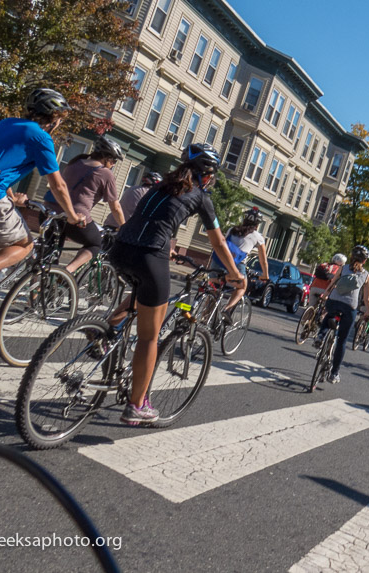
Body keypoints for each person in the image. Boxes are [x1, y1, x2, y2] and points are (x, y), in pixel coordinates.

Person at [107, 143, 244, 424]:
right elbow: (217, 241)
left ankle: (106, 330)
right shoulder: (201, 197)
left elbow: (152, 219)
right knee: (149, 336)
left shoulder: (159, 186)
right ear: (208, 174)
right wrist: (234, 273)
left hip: (121, 249)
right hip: (149, 255)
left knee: (140, 296)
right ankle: (137, 405)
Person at [0, 88, 85, 311]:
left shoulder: (5, 123)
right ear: (53, 116)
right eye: (60, 117)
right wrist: (72, 215)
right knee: (24, 245)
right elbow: (57, 184)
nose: (60, 122)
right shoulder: (41, 137)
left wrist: (11, 196)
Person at [44, 134, 126, 273]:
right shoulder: (105, 173)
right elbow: (115, 207)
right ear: (106, 157)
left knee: (49, 255)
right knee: (95, 243)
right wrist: (124, 227)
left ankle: (36, 289)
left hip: (49, 210)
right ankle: (67, 272)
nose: (113, 164)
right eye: (113, 161)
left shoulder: (74, 163)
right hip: (76, 217)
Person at [315, 245, 369, 384]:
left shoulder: (343, 268)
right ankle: (334, 374)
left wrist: (325, 295)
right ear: (364, 261)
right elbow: (367, 298)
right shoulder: (367, 275)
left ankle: (321, 335)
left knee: (329, 315)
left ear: (351, 257)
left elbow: (333, 282)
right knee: (341, 341)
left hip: (334, 300)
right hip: (349, 307)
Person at [209, 207, 269, 322]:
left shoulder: (232, 229)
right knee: (241, 287)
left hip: (217, 262)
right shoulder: (258, 237)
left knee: (213, 290)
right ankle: (227, 309)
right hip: (236, 265)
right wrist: (265, 275)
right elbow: (263, 261)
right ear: (257, 224)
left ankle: (205, 318)